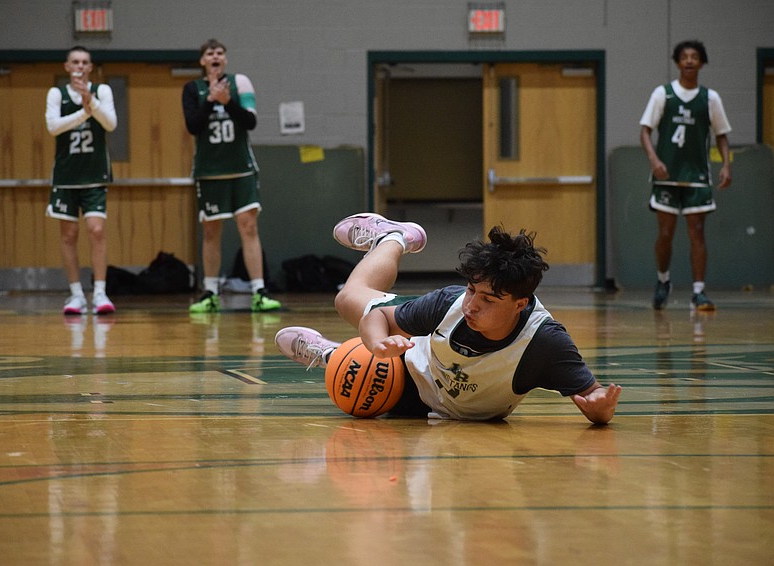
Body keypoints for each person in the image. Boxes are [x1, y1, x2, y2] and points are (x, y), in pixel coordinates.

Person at [275, 213, 622, 424]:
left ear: (520, 304)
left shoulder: (545, 342)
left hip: (440, 407)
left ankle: (335, 355)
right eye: (471, 290)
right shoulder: (449, 303)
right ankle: (393, 238)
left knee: (358, 388)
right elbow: (377, 318)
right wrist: (376, 344)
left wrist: (600, 410)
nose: (472, 305)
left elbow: (593, 398)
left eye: (488, 299)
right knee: (347, 300)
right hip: (411, 370)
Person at [182, 39, 281, 313]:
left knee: (248, 227)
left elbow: (250, 121)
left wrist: (228, 102)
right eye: (210, 53)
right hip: (209, 172)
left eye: (219, 53)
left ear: (225, 59)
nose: (215, 56)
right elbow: (193, 126)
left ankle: (259, 291)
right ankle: (210, 293)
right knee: (211, 231)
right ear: (203, 61)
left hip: (241, 168)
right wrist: (211, 100)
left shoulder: (241, 83)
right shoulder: (192, 89)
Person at [640, 39, 732, 311]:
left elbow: (721, 135)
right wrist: (654, 160)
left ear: (701, 63)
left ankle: (699, 292)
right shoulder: (663, 94)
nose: (689, 60)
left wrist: (726, 165)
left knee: (697, 233)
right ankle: (663, 280)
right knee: (665, 233)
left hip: (696, 176)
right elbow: (645, 131)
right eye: (684, 56)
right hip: (667, 175)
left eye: (694, 56)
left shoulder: (710, 98)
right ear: (678, 62)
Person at [45, 45, 117, 316]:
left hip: (94, 175)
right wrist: (85, 113)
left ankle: (100, 292)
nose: (80, 66)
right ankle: (76, 294)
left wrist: (91, 102)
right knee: (69, 235)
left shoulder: (102, 91)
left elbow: (110, 124)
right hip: (66, 177)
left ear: (90, 67)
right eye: (75, 62)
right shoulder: (56, 94)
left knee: (96, 231)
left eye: (84, 62)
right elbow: (54, 127)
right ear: (67, 67)